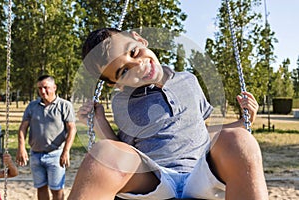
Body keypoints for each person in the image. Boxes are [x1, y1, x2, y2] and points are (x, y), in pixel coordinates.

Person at [68, 28, 268, 200]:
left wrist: (243, 123)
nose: (138, 66)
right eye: (123, 71)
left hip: (200, 172)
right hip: (155, 179)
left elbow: (202, 130)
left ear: (139, 39)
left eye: (134, 52)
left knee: (241, 140)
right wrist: (99, 122)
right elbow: (123, 153)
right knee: (103, 152)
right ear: (115, 83)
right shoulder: (123, 102)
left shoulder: (188, 81)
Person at [16, 75, 77, 200]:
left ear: (54, 88)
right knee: (41, 187)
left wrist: (66, 152)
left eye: (46, 87)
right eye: (40, 88)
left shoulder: (64, 105)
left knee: (57, 189)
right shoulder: (32, 106)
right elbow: (23, 127)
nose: (43, 91)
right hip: (35, 154)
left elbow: (72, 128)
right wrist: (21, 147)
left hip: (56, 155)